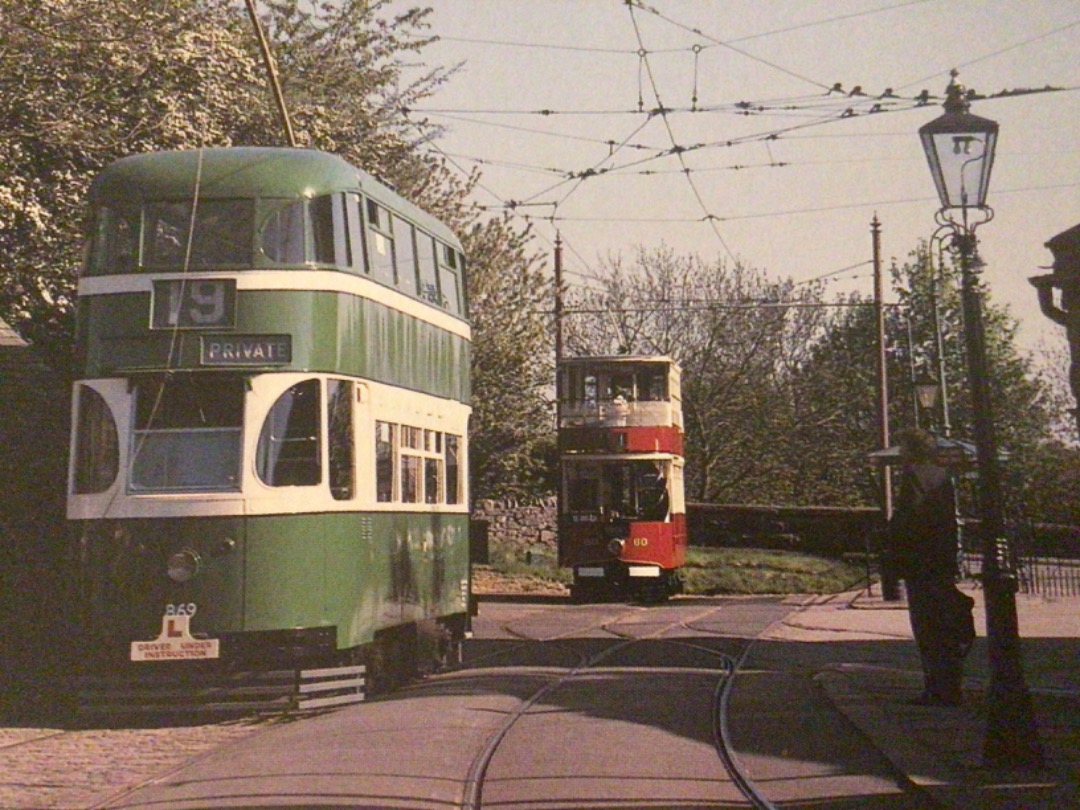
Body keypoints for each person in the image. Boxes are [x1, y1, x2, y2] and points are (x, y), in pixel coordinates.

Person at [887, 428, 975, 707]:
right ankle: (950, 685)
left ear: (910, 450)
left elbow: (910, 518)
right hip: (940, 561)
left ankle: (937, 689)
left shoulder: (914, 475)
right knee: (943, 626)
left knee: (927, 627)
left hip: (920, 561)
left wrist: (892, 537)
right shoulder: (941, 475)